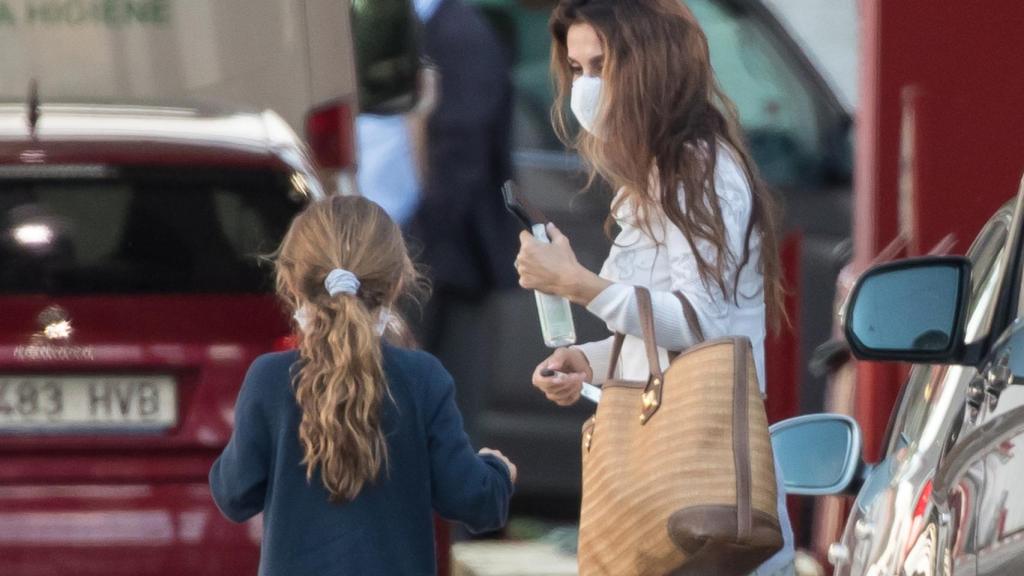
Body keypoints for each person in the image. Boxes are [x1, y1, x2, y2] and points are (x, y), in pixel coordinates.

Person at [513, 0, 795, 574]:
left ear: (648, 66)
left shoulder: (698, 169)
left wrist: (580, 285)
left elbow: (701, 325)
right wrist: (588, 361)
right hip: (665, 489)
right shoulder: (653, 177)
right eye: (577, 70)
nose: (585, 88)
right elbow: (656, 335)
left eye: (600, 67)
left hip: (702, 485)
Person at [209, 196, 516, 575]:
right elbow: (473, 501)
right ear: (398, 283)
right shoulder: (423, 378)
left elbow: (234, 494)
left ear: (289, 282)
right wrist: (497, 471)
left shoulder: (270, 379)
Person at [406, 0, 520, 351]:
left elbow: (461, 157)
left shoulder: (460, 35)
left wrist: (414, 247)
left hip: (442, 259)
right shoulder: (425, 26)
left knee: (433, 388)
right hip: (426, 253)